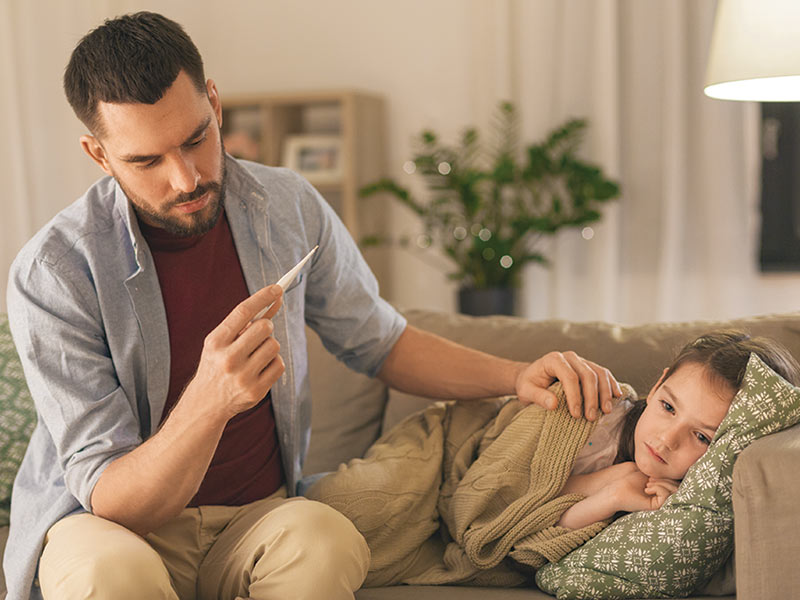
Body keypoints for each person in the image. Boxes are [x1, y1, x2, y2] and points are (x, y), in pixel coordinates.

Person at [3, 11, 622, 600]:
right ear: (99, 154)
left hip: (253, 518)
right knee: (110, 572)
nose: (186, 178)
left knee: (324, 540)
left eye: (196, 138)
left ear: (215, 104)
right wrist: (209, 401)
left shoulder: (288, 206)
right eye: (147, 160)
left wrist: (516, 376)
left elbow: (381, 341)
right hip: (108, 525)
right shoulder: (54, 273)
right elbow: (115, 499)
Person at [556, 330, 800, 529]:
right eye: (668, 407)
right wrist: (610, 480)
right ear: (657, 387)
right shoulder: (599, 423)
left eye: (702, 437)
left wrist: (615, 496)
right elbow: (535, 502)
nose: (667, 439)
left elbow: (550, 537)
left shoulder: (685, 499)